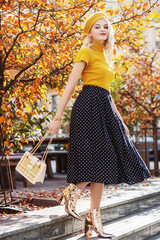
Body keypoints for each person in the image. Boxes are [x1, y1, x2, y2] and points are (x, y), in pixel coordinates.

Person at [48, 12, 151, 238]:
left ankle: (93, 221)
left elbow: (108, 92)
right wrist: (57, 118)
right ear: (90, 32)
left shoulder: (107, 56)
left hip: (104, 107)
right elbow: (70, 86)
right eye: (97, 27)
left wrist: (121, 120)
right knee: (100, 158)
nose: (102, 29)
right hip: (88, 107)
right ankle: (71, 193)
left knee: (105, 163)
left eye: (105, 26)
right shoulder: (85, 51)